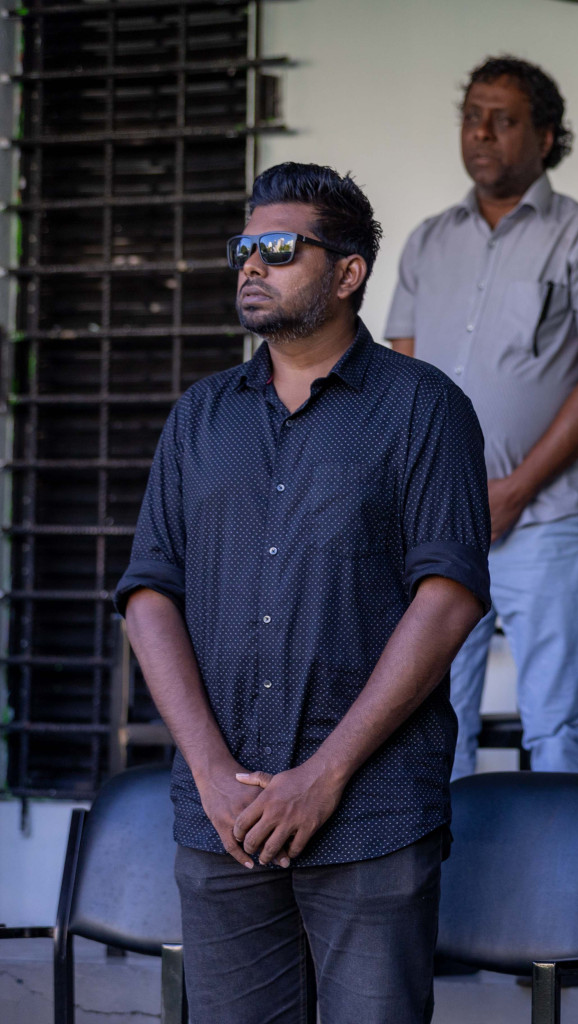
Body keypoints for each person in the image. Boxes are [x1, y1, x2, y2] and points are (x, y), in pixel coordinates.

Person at [115, 163, 491, 1023]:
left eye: (278, 248)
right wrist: (211, 771)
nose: (251, 265)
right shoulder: (199, 416)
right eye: (243, 247)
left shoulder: (424, 409)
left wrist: (324, 776)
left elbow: (450, 597)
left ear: (349, 272)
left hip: (371, 810)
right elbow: (149, 593)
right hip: (224, 821)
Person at [386, 56, 578, 777]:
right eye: (472, 116)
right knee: (430, 721)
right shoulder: (427, 241)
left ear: (545, 135)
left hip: (544, 520)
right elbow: (397, 385)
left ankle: (558, 891)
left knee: (559, 723)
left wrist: (515, 489)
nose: (482, 133)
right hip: (435, 522)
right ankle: (443, 890)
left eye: (503, 119)